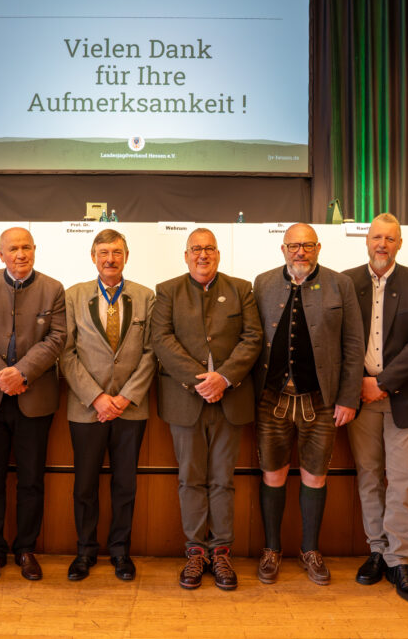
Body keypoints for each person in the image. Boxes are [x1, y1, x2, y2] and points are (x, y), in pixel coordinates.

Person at [252, 223, 363, 586]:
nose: (300, 252)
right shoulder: (263, 283)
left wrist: (348, 397)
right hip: (272, 399)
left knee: (316, 477)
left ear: (318, 248)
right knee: (273, 474)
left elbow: (353, 346)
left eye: (307, 246)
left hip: (321, 401)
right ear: (282, 249)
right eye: (294, 246)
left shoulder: (340, 284)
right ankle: (271, 550)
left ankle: (310, 549)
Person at [151, 228, 262, 591]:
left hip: (231, 399)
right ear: (186, 255)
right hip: (185, 400)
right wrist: (202, 380)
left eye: (209, 249)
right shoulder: (167, 290)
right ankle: (195, 551)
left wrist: (224, 378)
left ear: (218, 254)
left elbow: (253, 338)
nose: (203, 255)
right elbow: (162, 339)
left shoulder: (241, 289)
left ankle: (221, 552)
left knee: (222, 480)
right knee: (191, 479)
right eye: (196, 249)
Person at [0, 227, 66, 583]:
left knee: (31, 480)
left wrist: (21, 372)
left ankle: (26, 549)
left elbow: (58, 337)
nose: (20, 254)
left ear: (35, 250)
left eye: (26, 247)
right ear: (0, 254)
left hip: (34, 397)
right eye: (13, 249)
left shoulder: (53, 288)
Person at [342, 213, 408, 603]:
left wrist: (380, 383)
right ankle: (376, 551)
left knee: (403, 481)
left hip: (402, 399)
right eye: (376, 237)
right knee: (368, 476)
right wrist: (360, 385)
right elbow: (339, 339)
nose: (382, 244)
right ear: (367, 240)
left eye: (390, 239)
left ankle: (399, 559)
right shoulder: (346, 282)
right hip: (359, 399)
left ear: (400, 244)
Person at [60, 229, 156, 582]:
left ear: (126, 256)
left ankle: (120, 552)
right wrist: (97, 398)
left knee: (125, 485)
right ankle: (84, 551)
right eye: (103, 252)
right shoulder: (73, 296)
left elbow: (151, 353)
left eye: (116, 252)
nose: (110, 259)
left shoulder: (147, 297)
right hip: (86, 408)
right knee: (84, 484)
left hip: (130, 408)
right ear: (93, 256)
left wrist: (124, 397)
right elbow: (65, 353)